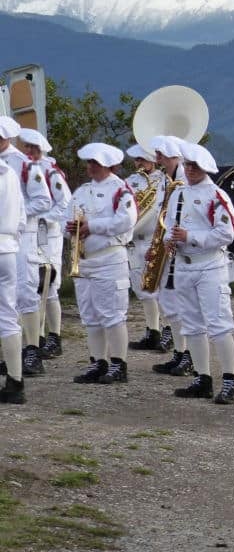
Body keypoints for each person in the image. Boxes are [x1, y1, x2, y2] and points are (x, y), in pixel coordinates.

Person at [166, 142, 234, 405]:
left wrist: (191, 237)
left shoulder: (216, 195)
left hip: (210, 266)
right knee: (192, 325)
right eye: (187, 165)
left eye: (194, 166)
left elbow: (226, 233)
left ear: (205, 168)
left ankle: (230, 381)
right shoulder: (177, 193)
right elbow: (170, 224)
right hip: (184, 264)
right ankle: (202, 377)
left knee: (219, 324)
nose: (189, 170)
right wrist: (170, 239)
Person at [67, 143, 139, 385]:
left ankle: (119, 364)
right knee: (90, 316)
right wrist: (71, 229)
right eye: (89, 163)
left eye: (95, 163)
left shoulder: (121, 190)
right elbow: (68, 217)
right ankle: (98, 362)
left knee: (112, 314)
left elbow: (126, 220)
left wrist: (93, 226)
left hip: (109, 259)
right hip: (85, 260)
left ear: (110, 165)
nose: (90, 167)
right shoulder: (81, 191)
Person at [0, 117, 52, 378]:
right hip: (9, 236)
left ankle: (33, 349)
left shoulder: (25, 165)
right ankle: (11, 355)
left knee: (25, 293)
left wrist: (15, 216)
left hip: (24, 236)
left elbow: (43, 200)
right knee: (6, 302)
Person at [17, 129, 71, 361]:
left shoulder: (51, 172)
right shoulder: (23, 169)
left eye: (34, 148)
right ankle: (35, 337)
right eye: (27, 147)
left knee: (49, 287)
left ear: (42, 150)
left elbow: (64, 203)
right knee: (33, 286)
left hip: (49, 236)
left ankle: (54, 337)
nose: (29, 152)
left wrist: (43, 219)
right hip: (30, 235)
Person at [149, 135, 191, 376]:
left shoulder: (184, 180)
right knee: (168, 303)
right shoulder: (167, 180)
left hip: (179, 247)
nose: (158, 160)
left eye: (162, 156)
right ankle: (179, 352)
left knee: (180, 305)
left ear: (175, 156)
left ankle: (187, 355)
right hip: (167, 244)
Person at [124, 144, 168, 353]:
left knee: (159, 288)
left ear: (153, 160)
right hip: (134, 242)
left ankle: (168, 330)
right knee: (141, 288)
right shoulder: (130, 182)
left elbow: (157, 210)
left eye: (142, 159)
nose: (138, 163)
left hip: (154, 239)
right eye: (136, 160)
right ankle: (153, 331)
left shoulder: (164, 181)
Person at [0, 138, 27, 404]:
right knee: (8, 314)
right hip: (7, 248)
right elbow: (22, 216)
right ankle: (15, 380)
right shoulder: (9, 173)